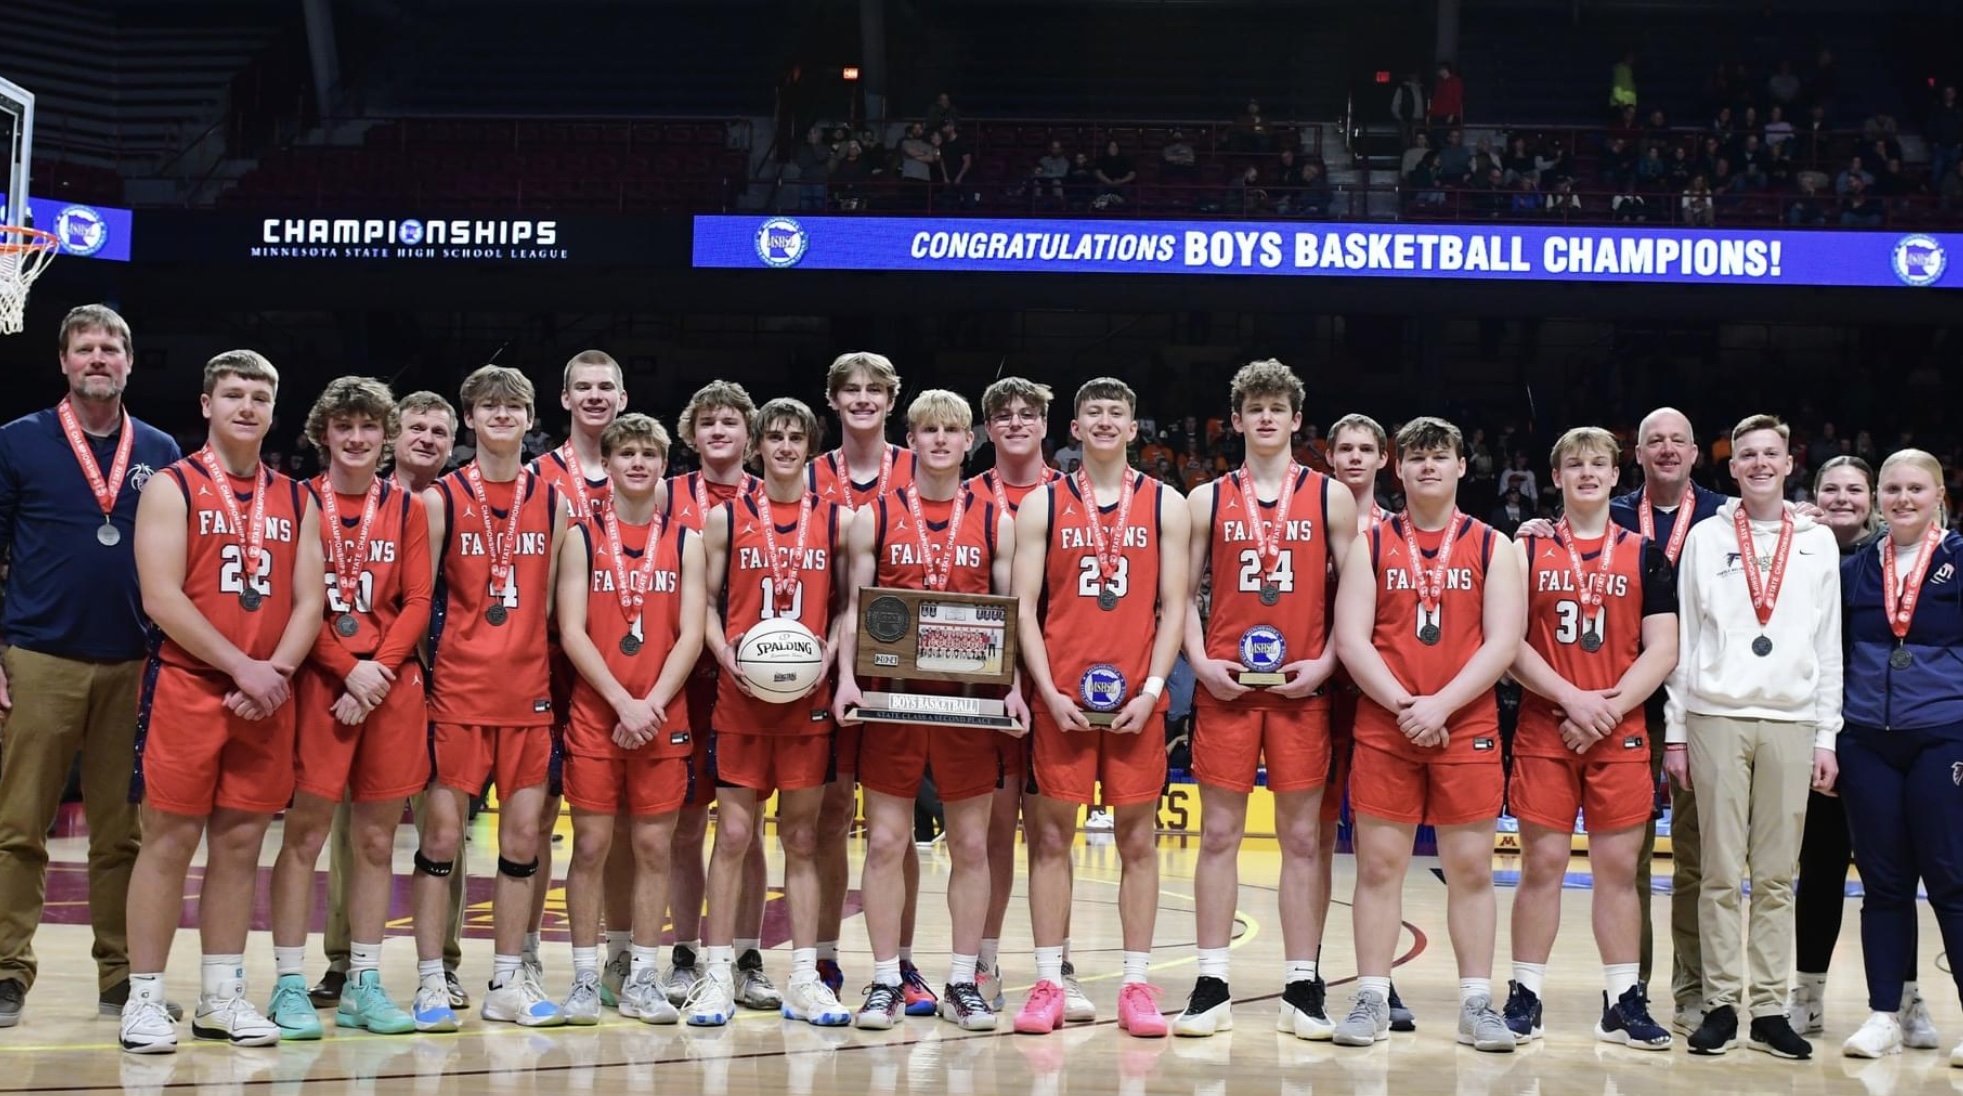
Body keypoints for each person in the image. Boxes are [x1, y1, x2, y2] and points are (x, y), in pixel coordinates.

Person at [120, 350, 325, 1053]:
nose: (246, 406)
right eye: (233, 394)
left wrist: (277, 673)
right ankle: (144, 999)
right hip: (191, 685)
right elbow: (162, 597)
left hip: (268, 695)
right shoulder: (172, 486)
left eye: (259, 396)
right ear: (207, 404)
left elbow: (309, 600)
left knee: (240, 845)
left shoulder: (297, 497)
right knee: (169, 842)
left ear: (273, 411)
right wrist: (245, 668)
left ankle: (221, 994)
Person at [0, 305, 180, 1030]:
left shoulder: (162, 449)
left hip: (135, 661)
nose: (98, 358)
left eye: (111, 348)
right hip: (40, 656)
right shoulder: (19, 442)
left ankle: (123, 979)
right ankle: (7, 972)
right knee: (18, 827)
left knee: (123, 834)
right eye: (85, 348)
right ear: (65, 362)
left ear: (129, 363)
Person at [1172, 361, 1356, 1039]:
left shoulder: (1330, 496)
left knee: (1302, 840)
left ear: (1295, 418)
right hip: (1226, 687)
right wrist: (1197, 660)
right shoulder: (1205, 499)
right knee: (1217, 834)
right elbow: (1180, 594)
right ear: (1238, 419)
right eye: (1255, 407)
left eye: (1278, 406)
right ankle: (1211, 980)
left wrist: (1329, 662)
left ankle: (1301, 985)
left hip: (1299, 686)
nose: (1267, 417)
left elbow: (1353, 598)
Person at [833, 389, 1026, 1031]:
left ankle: (963, 979)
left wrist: (1016, 687)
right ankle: (886, 979)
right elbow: (853, 612)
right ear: (908, 440)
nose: (941, 439)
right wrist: (844, 682)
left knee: (971, 844)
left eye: (952, 429)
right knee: (887, 841)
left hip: (968, 705)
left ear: (969, 440)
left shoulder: (999, 518)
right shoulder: (874, 517)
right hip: (890, 700)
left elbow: (1012, 615)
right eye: (928, 430)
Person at [1331, 415, 1522, 1052]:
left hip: (1465, 727)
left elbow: (1504, 642)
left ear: (1463, 466)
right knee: (1379, 868)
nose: (1428, 467)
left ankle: (1476, 1004)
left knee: (1470, 869)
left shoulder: (1496, 545)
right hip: (1388, 727)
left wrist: (1439, 706)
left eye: (1441, 457)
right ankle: (1371, 997)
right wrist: (1403, 703)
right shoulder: (1372, 542)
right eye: (1416, 459)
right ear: (1399, 470)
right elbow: (1351, 638)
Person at [1008, 377, 1191, 1038]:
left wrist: (1152, 691)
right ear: (1076, 428)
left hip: (1135, 703)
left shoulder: (1167, 505)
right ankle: (1047, 982)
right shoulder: (1042, 506)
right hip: (1061, 700)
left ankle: (1136, 984)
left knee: (1137, 841)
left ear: (1133, 427)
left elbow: (1175, 606)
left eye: (1118, 411)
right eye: (1094, 412)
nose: (1106, 421)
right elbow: (1023, 608)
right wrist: (1046, 690)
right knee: (1050, 839)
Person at [1666, 414, 1840, 1060]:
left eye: (1770, 453)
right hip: (1714, 713)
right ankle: (1718, 1004)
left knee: (1773, 876)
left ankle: (1768, 1008)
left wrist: (1826, 733)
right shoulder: (1707, 540)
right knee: (1716, 871)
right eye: (1747, 455)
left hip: (1792, 719)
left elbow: (1828, 645)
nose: (1759, 464)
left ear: (1789, 462)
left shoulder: (1817, 542)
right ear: (1730, 467)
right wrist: (1675, 731)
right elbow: (1685, 638)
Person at [264, 378, 430, 1040]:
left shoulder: (408, 508)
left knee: (376, 838)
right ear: (323, 434)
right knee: (303, 834)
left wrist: (379, 672)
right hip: (319, 682)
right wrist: (347, 670)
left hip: (388, 687)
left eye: (368, 426)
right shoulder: (299, 501)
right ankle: (285, 982)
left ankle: (364, 981)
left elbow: (417, 600)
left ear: (385, 435)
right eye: (344, 426)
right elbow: (291, 601)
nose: (357, 438)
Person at [1502, 427, 1677, 1049]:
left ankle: (1623, 1001)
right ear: (1556, 477)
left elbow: (1664, 646)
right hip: (1547, 725)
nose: (1586, 473)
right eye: (1573, 464)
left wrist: (1608, 707)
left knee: (1617, 869)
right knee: (1542, 864)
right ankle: (1525, 995)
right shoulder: (1523, 551)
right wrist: (1571, 698)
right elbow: (1507, 642)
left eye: (1598, 464)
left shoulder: (1646, 554)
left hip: (1620, 729)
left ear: (1614, 475)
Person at [414, 365, 570, 1031]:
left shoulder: (555, 500)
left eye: (514, 406)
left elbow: (563, 606)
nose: (502, 415)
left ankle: (507, 978)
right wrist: (440, 675)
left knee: (524, 836)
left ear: (531, 419)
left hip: (529, 695)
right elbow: (419, 606)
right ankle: (428, 980)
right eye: (489, 406)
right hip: (457, 694)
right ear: (469, 418)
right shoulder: (440, 499)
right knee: (442, 836)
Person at [689, 398, 849, 1027]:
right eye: (775, 437)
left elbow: (848, 604)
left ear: (811, 446)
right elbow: (701, 601)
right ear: (758, 446)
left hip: (805, 701)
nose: (785, 446)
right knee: (733, 835)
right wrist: (726, 656)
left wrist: (827, 656)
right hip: (742, 697)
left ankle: (805, 978)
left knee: (803, 838)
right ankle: (716, 976)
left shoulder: (840, 521)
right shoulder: (726, 519)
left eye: (796, 437)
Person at [311, 391, 468, 1011]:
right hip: (363, 677)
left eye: (438, 430)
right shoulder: (344, 501)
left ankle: (444, 961)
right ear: (391, 435)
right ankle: (344, 960)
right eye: (414, 428)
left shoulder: (460, 501)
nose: (426, 438)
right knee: (356, 829)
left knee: (443, 824)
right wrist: (363, 671)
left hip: (443, 682)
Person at [553, 413, 705, 1026]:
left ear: (663, 465)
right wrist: (621, 702)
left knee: (652, 847)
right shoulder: (580, 537)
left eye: (648, 454)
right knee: (590, 845)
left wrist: (650, 706)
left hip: (662, 712)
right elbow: (570, 630)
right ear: (607, 465)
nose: (637, 463)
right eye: (626, 454)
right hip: (598, 712)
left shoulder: (687, 539)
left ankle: (643, 975)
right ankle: (588, 978)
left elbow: (691, 634)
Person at [806, 352, 926, 1009]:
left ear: (890, 399)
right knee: (826, 819)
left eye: (873, 390)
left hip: (900, 672)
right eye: (848, 390)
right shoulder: (808, 473)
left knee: (894, 827)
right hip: (819, 665)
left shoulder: (920, 466)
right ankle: (822, 959)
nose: (860, 399)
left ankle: (902, 963)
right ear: (832, 399)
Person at [1835, 449, 1963, 1060]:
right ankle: (1885, 1014)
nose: (1903, 499)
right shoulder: (1857, 567)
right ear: (1879, 497)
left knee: (1953, 881)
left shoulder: (1960, 561)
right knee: (1883, 884)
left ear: (1939, 493)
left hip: (1944, 737)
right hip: (1867, 741)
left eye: (1916, 488)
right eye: (1892, 488)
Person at [662, 382, 779, 1012]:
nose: (718, 432)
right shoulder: (665, 494)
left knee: (747, 830)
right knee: (684, 826)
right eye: (706, 422)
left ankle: (746, 955)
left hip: (752, 685)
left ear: (749, 435)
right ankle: (685, 954)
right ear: (691, 433)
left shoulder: (774, 499)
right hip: (683, 679)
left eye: (730, 422)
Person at [963, 377, 1078, 1018]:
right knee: (993, 832)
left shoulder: (1071, 497)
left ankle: (1057, 963)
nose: (1015, 423)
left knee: (1053, 833)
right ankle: (983, 960)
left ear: (1045, 424)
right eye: (1002, 415)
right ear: (987, 427)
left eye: (1027, 414)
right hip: (990, 681)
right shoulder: (965, 495)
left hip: (1061, 676)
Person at [525, 350, 627, 998]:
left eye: (605, 387)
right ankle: (526, 955)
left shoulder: (642, 472)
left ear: (623, 396)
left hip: (616, 665)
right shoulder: (537, 477)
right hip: (545, 666)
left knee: (609, 824)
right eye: (582, 388)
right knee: (533, 820)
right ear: (563, 400)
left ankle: (618, 959)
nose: (594, 396)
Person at [1318, 414, 1419, 1032]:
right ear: (1329, 455)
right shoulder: (1301, 520)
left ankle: (1380, 980)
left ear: (1385, 459)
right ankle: (1310, 971)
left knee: (1382, 853)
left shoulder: (1402, 531)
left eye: (1366, 449)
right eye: (1345, 448)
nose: (1355, 457)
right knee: (1315, 843)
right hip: (1317, 692)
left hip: (1383, 698)